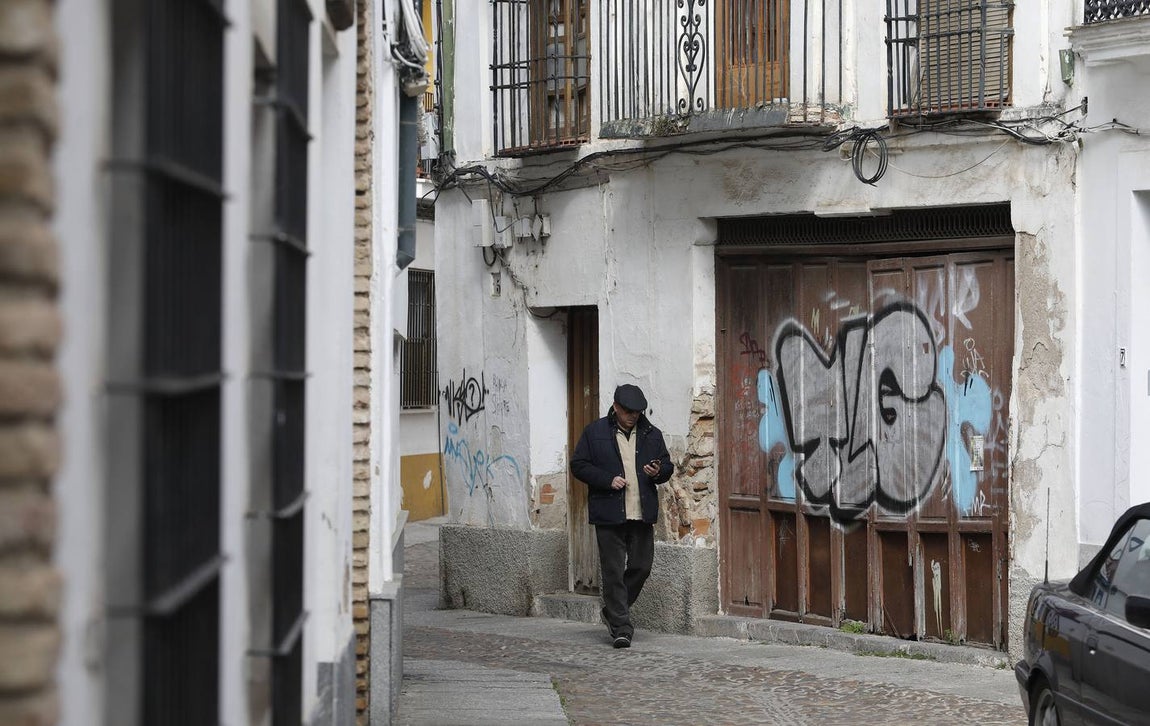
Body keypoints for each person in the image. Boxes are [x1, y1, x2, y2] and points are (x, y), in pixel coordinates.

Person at [571, 383, 673, 648]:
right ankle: (621, 627)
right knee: (613, 572)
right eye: (628, 411)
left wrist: (658, 471)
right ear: (616, 407)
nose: (632, 416)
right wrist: (607, 480)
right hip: (609, 513)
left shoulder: (652, 434)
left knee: (642, 566)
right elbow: (578, 465)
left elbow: (667, 466)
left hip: (641, 512)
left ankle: (613, 611)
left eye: (637, 412)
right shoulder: (595, 432)